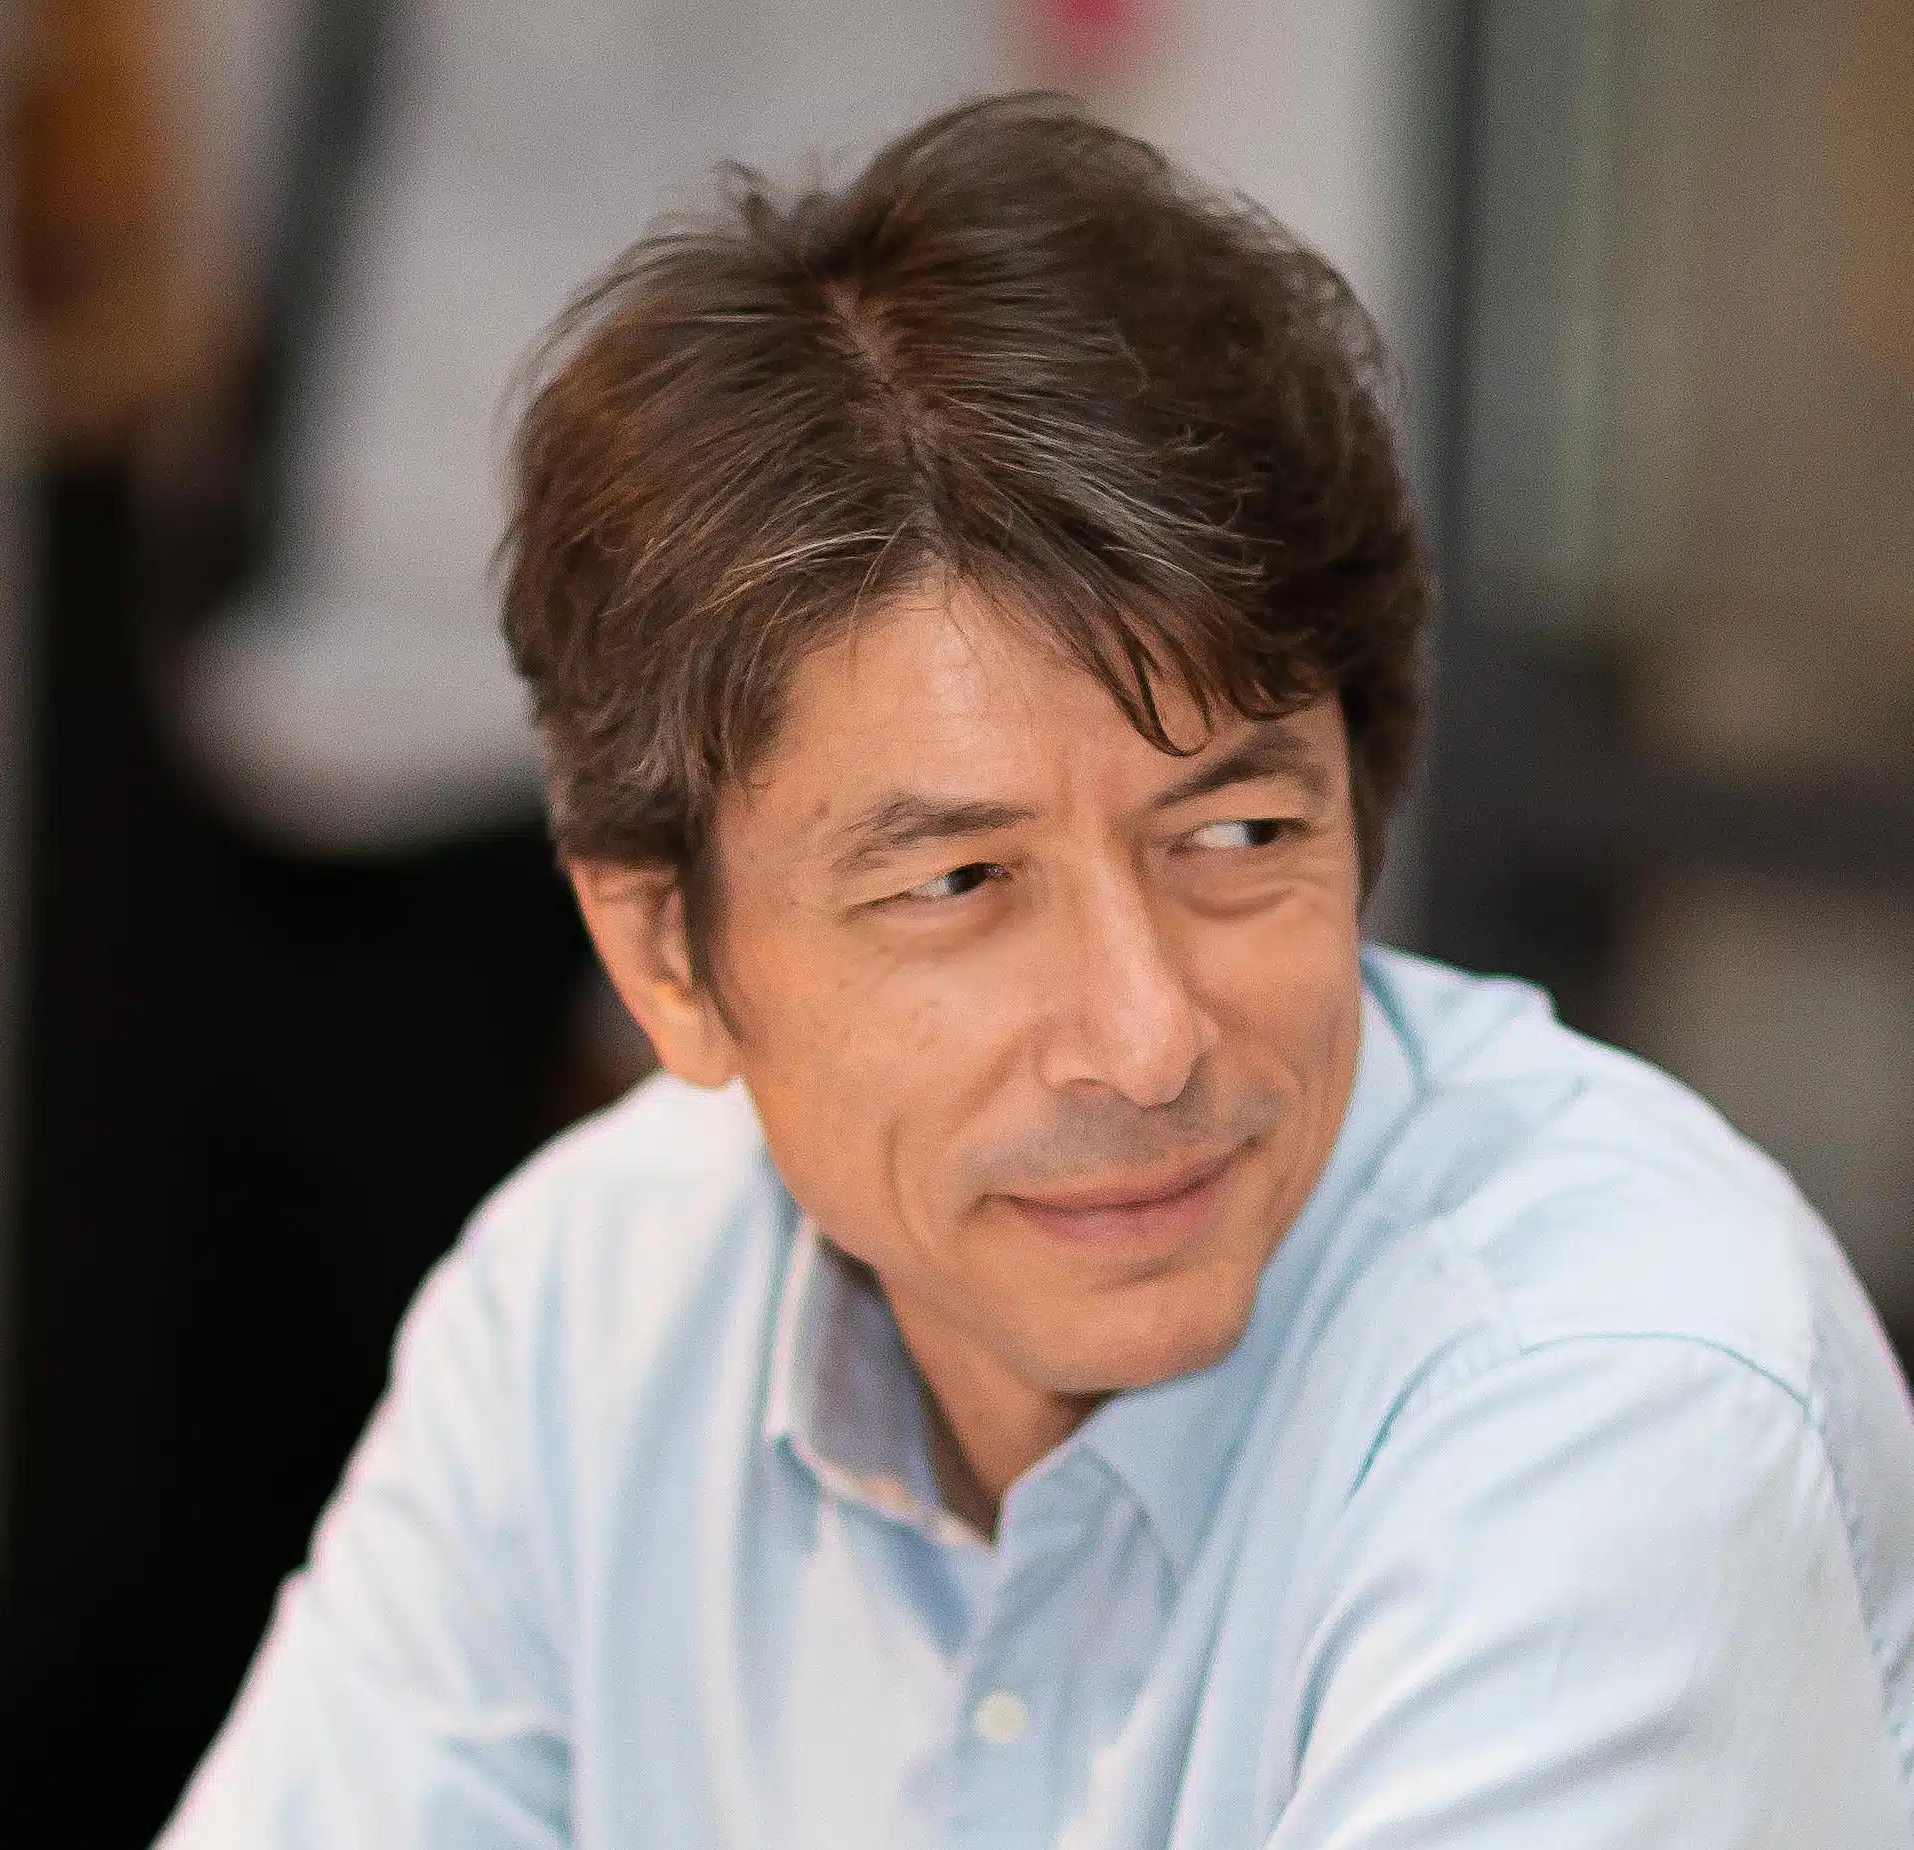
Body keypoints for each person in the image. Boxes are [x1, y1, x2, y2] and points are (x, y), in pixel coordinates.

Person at [156, 96, 1914, 1847]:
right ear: (665, 955)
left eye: (1234, 839)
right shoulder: (587, 1316)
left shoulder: (1617, 1389)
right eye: (961, 881)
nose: (1148, 1041)